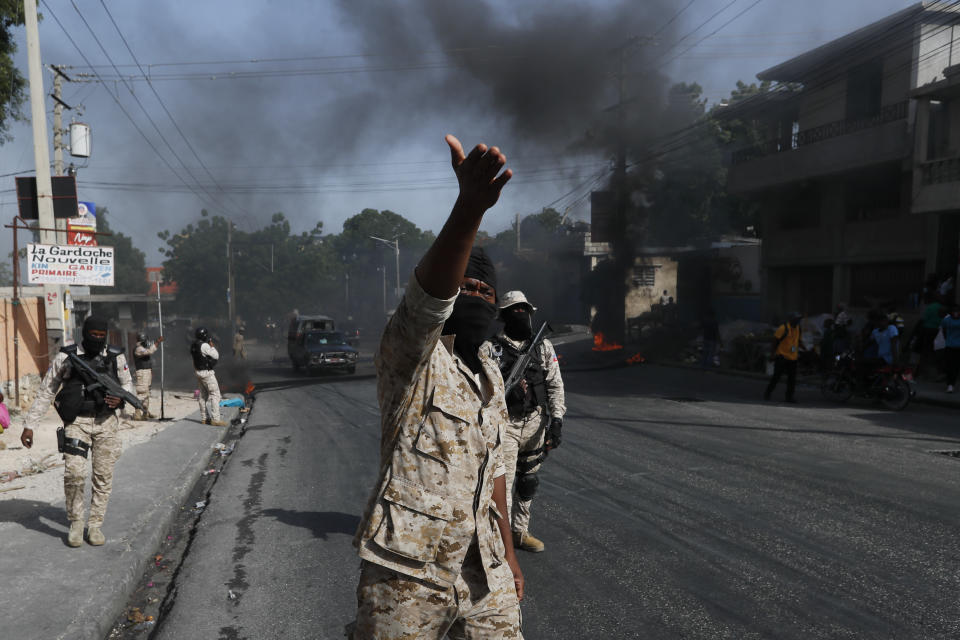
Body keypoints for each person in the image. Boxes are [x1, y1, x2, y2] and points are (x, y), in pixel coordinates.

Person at [351, 135, 522, 639]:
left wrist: (510, 557)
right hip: (407, 570)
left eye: (484, 290)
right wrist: (469, 208)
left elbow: (494, 476)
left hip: (485, 571)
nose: (477, 295)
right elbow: (430, 299)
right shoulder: (413, 355)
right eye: (466, 287)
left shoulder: (492, 374)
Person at [19, 316, 133, 547]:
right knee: (74, 474)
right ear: (85, 333)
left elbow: (128, 385)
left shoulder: (114, 356)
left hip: (106, 423)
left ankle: (95, 525)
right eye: (94, 335)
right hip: (77, 422)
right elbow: (47, 390)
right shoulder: (67, 356)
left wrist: (119, 401)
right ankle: (76, 522)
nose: (98, 340)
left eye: (102, 336)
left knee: (102, 477)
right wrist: (30, 425)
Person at [488, 290, 565, 554]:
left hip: (535, 422)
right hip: (505, 424)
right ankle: (500, 540)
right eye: (515, 310)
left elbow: (554, 384)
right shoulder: (491, 348)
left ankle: (520, 532)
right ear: (505, 316)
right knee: (503, 484)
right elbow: (481, 389)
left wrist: (557, 420)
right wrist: (505, 393)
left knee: (528, 481)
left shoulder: (542, 346)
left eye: (524, 310)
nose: (521, 315)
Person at [190, 327, 226, 426]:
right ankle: (216, 419)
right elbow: (216, 356)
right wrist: (212, 346)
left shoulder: (193, 345)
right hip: (207, 373)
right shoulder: (204, 345)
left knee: (202, 396)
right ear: (204, 335)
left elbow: (194, 360)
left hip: (198, 372)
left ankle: (204, 418)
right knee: (215, 394)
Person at [764, 311, 802, 403]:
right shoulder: (783, 328)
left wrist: (804, 349)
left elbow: (798, 341)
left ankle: (789, 397)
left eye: (799, 319)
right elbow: (775, 342)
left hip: (793, 357)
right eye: (796, 319)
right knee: (776, 377)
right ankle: (767, 393)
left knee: (792, 379)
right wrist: (772, 354)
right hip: (782, 357)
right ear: (791, 320)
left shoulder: (798, 328)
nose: (798, 321)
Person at [133, 333, 164, 420]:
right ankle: (137, 412)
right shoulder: (138, 348)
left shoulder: (142, 347)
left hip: (147, 372)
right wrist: (157, 342)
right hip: (142, 373)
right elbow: (149, 351)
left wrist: (150, 371)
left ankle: (145, 413)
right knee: (142, 393)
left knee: (147, 393)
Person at [940, 306, 960, 393]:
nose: (956, 313)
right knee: (949, 366)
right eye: (954, 311)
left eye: (957, 311)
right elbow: (943, 329)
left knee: (955, 366)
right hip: (949, 346)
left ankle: (952, 383)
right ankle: (950, 384)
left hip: (958, 346)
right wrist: (947, 339)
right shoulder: (947, 320)